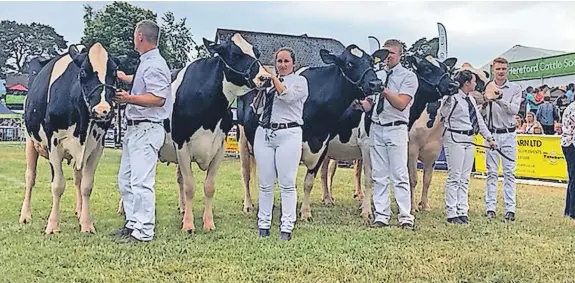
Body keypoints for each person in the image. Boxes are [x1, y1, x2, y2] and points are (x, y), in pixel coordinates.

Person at [110, 20, 173, 242]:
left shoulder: (155, 64)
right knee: (126, 180)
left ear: (139, 37)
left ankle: (144, 230)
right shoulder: (147, 62)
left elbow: (158, 98)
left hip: (147, 127)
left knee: (141, 182)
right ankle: (133, 223)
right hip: (137, 128)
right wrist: (124, 78)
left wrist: (129, 98)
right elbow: (143, 83)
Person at [358, 39, 418, 230]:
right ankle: (382, 215)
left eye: (391, 53)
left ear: (400, 55)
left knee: (399, 173)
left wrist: (383, 90)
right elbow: (370, 103)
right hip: (377, 126)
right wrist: (357, 104)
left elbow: (401, 103)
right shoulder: (377, 74)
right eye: (384, 53)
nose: (387, 57)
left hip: (396, 127)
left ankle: (405, 216)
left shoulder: (408, 77)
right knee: (379, 174)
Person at [251, 47, 309, 241]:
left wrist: (273, 78)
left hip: (288, 133)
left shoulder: (300, 81)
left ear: (293, 63)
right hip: (265, 131)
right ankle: (263, 223)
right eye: (279, 61)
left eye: (286, 61)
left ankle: (287, 224)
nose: (282, 65)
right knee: (265, 182)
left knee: (286, 182)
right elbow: (256, 103)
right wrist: (261, 83)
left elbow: (287, 96)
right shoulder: (267, 83)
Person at [441, 70, 496, 224]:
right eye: (473, 81)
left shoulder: (470, 99)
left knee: (465, 177)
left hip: (469, 137)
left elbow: (478, 120)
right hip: (455, 136)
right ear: (466, 83)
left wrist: (489, 138)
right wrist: (448, 99)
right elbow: (444, 113)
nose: (475, 84)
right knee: (455, 176)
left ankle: (462, 209)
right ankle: (451, 211)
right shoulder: (453, 98)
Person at [482, 57, 522, 222]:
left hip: (509, 133)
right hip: (492, 134)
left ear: (507, 70)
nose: (501, 72)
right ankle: (490, 207)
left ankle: (510, 209)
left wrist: (498, 99)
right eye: (498, 69)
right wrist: (486, 101)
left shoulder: (515, 88)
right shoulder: (486, 87)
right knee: (491, 173)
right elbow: (481, 110)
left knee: (509, 173)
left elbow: (514, 110)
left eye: (503, 69)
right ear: (493, 70)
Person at [561, 101, 575, 219]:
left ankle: (569, 210)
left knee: (572, 178)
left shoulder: (570, 107)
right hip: (572, 145)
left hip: (568, 144)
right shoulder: (573, 108)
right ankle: (572, 211)